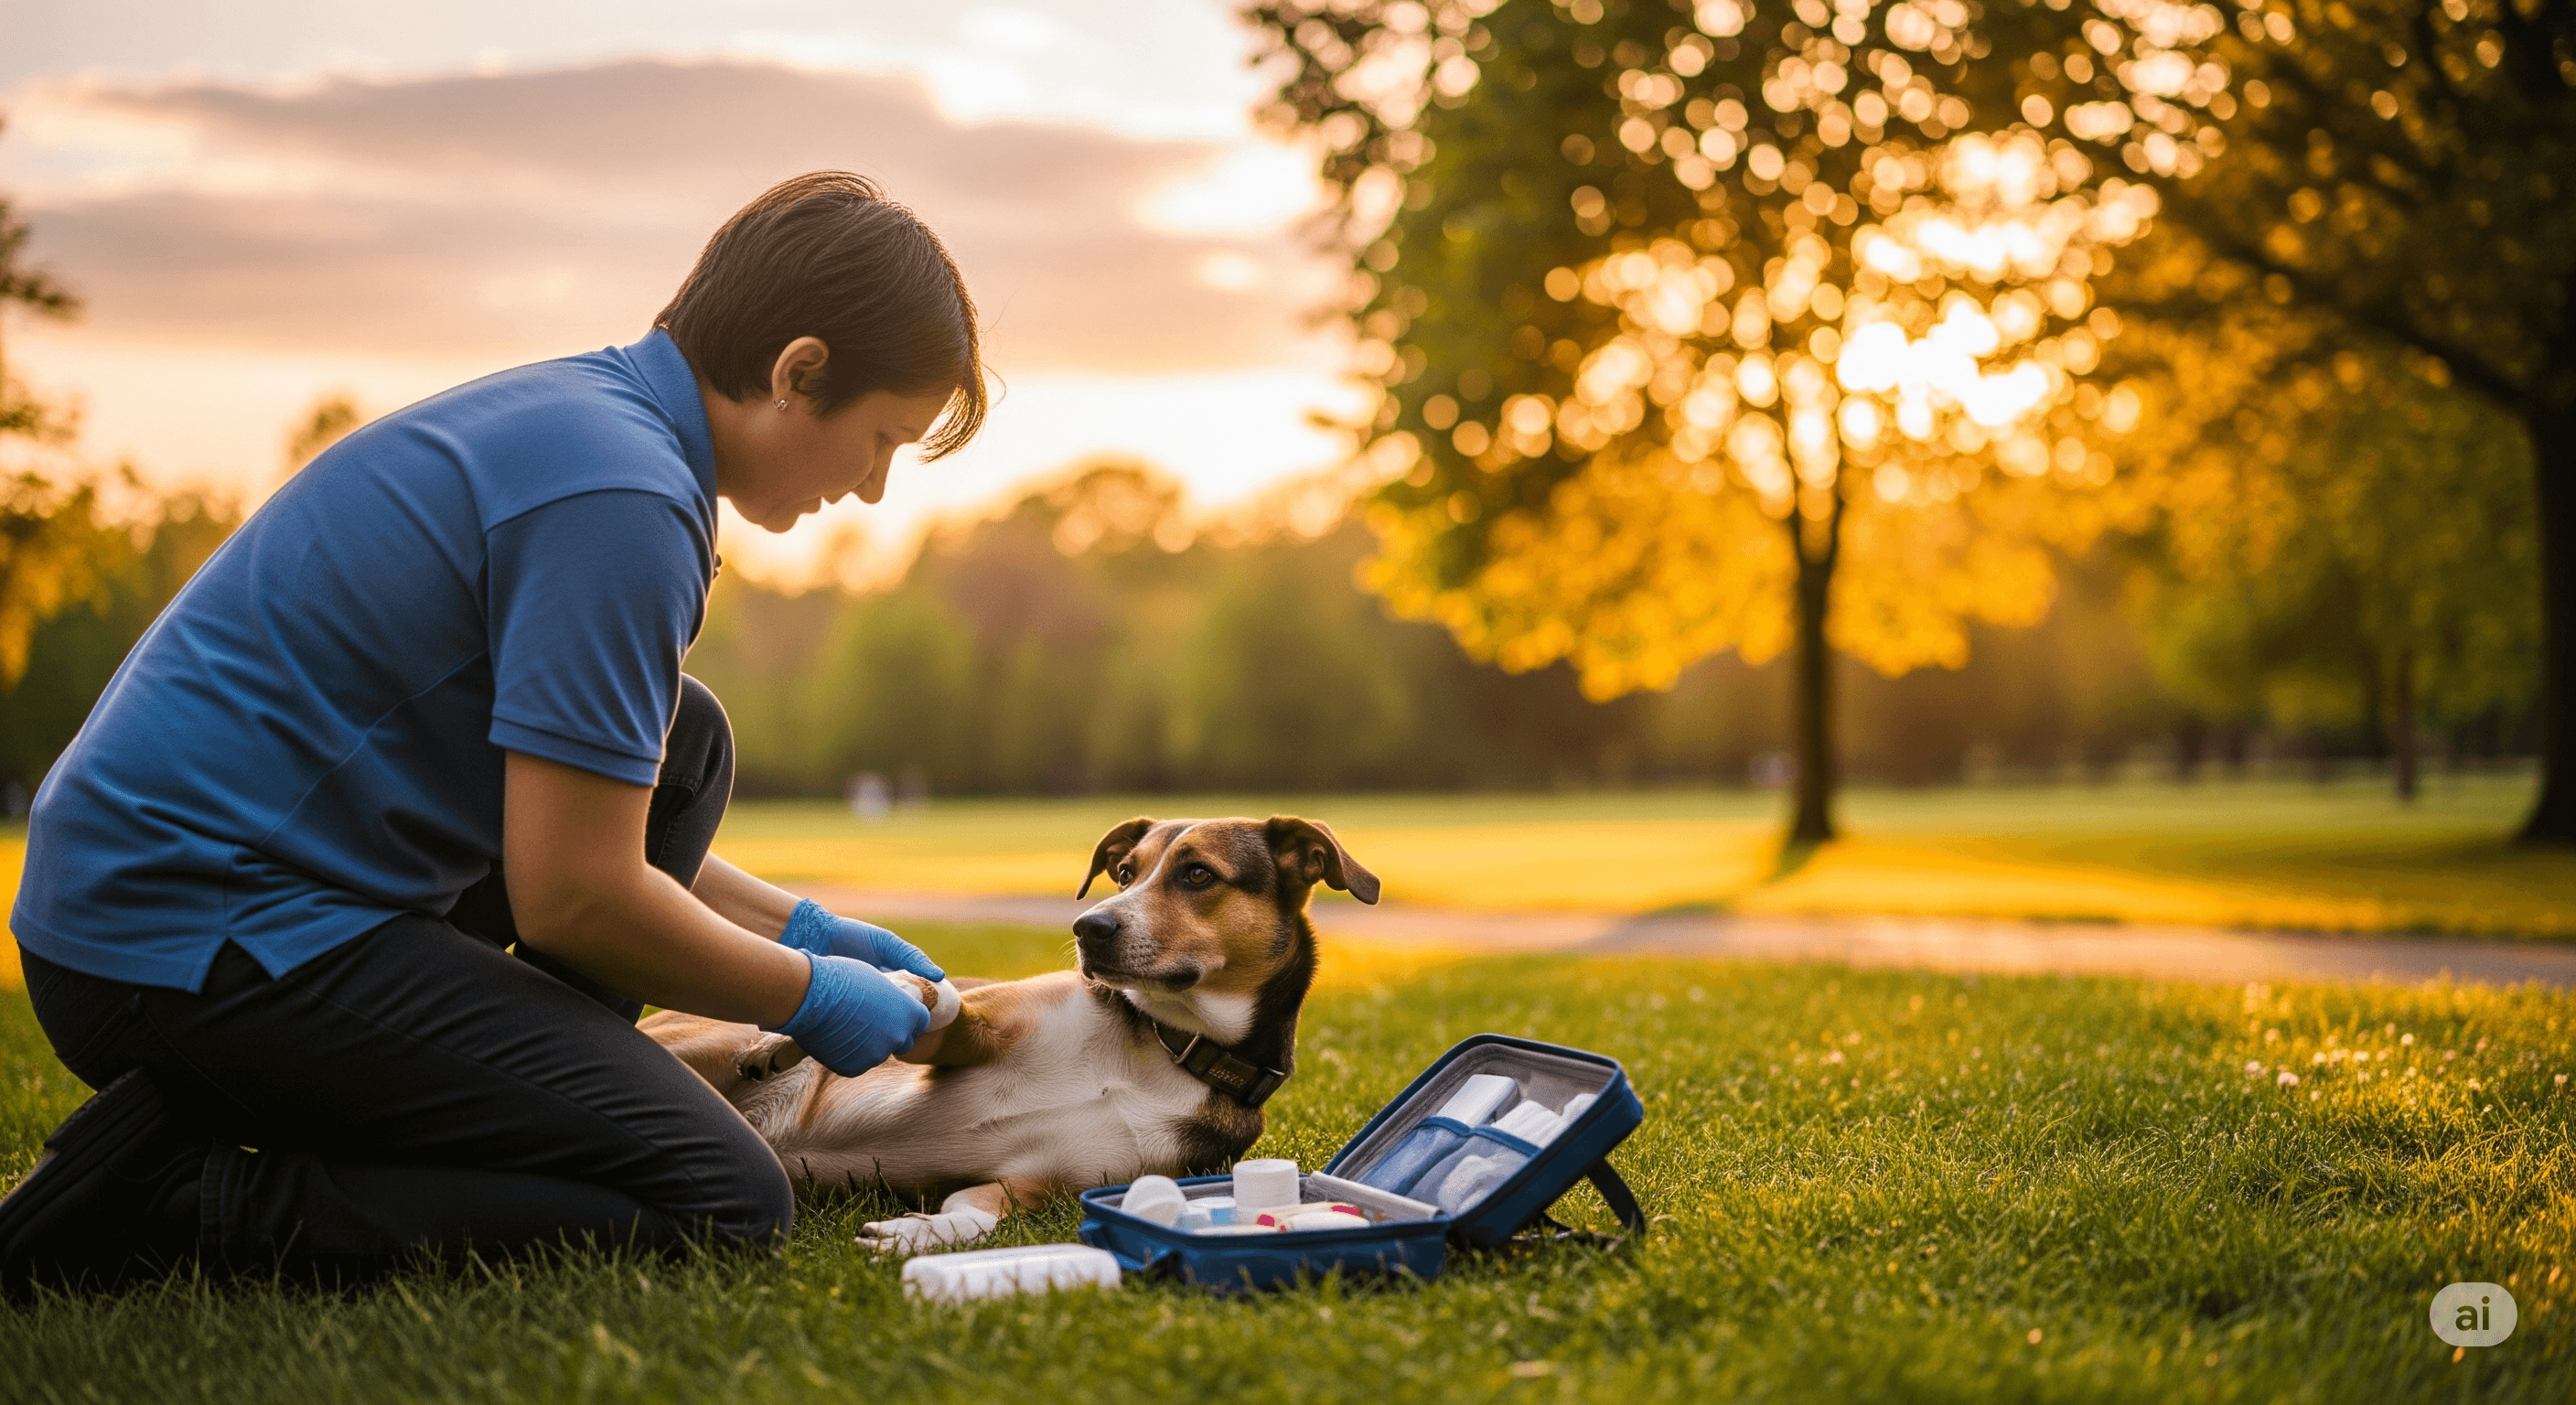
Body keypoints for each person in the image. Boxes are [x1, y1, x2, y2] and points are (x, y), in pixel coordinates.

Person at [0, 171, 984, 1299]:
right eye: (879, 442)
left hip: (216, 904)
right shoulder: (621, 502)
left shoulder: (599, 425)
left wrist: (813, 929)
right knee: (719, 1197)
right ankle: (174, 1203)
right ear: (797, 372)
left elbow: (584, 806)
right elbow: (576, 896)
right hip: (185, 941)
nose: (870, 490)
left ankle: (507, 1113)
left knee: (683, 743)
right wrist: (809, 992)